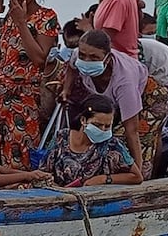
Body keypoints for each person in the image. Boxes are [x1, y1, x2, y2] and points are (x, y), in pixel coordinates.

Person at [0, 0, 59, 170]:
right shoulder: (10, 15)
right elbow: (5, 53)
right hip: (2, 96)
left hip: (26, 99)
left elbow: (40, 59)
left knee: (19, 156)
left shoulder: (46, 17)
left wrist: (20, 23)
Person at [61, 30, 148, 180]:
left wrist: (136, 176)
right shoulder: (78, 53)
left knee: (130, 139)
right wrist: (66, 90)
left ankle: (142, 174)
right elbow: (72, 67)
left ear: (107, 59)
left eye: (94, 57)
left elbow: (132, 132)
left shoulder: (124, 82)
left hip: (147, 94)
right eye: (83, 56)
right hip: (107, 98)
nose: (86, 60)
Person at [40, 94, 142, 186]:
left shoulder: (112, 145)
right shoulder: (61, 138)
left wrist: (104, 179)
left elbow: (136, 176)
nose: (102, 130)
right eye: (97, 125)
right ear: (83, 120)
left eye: (107, 126)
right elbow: (43, 172)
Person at [138, 11, 168, 113]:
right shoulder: (147, 45)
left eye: (153, 33)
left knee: (163, 115)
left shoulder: (138, 46)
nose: (152, 36)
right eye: (149, 33)